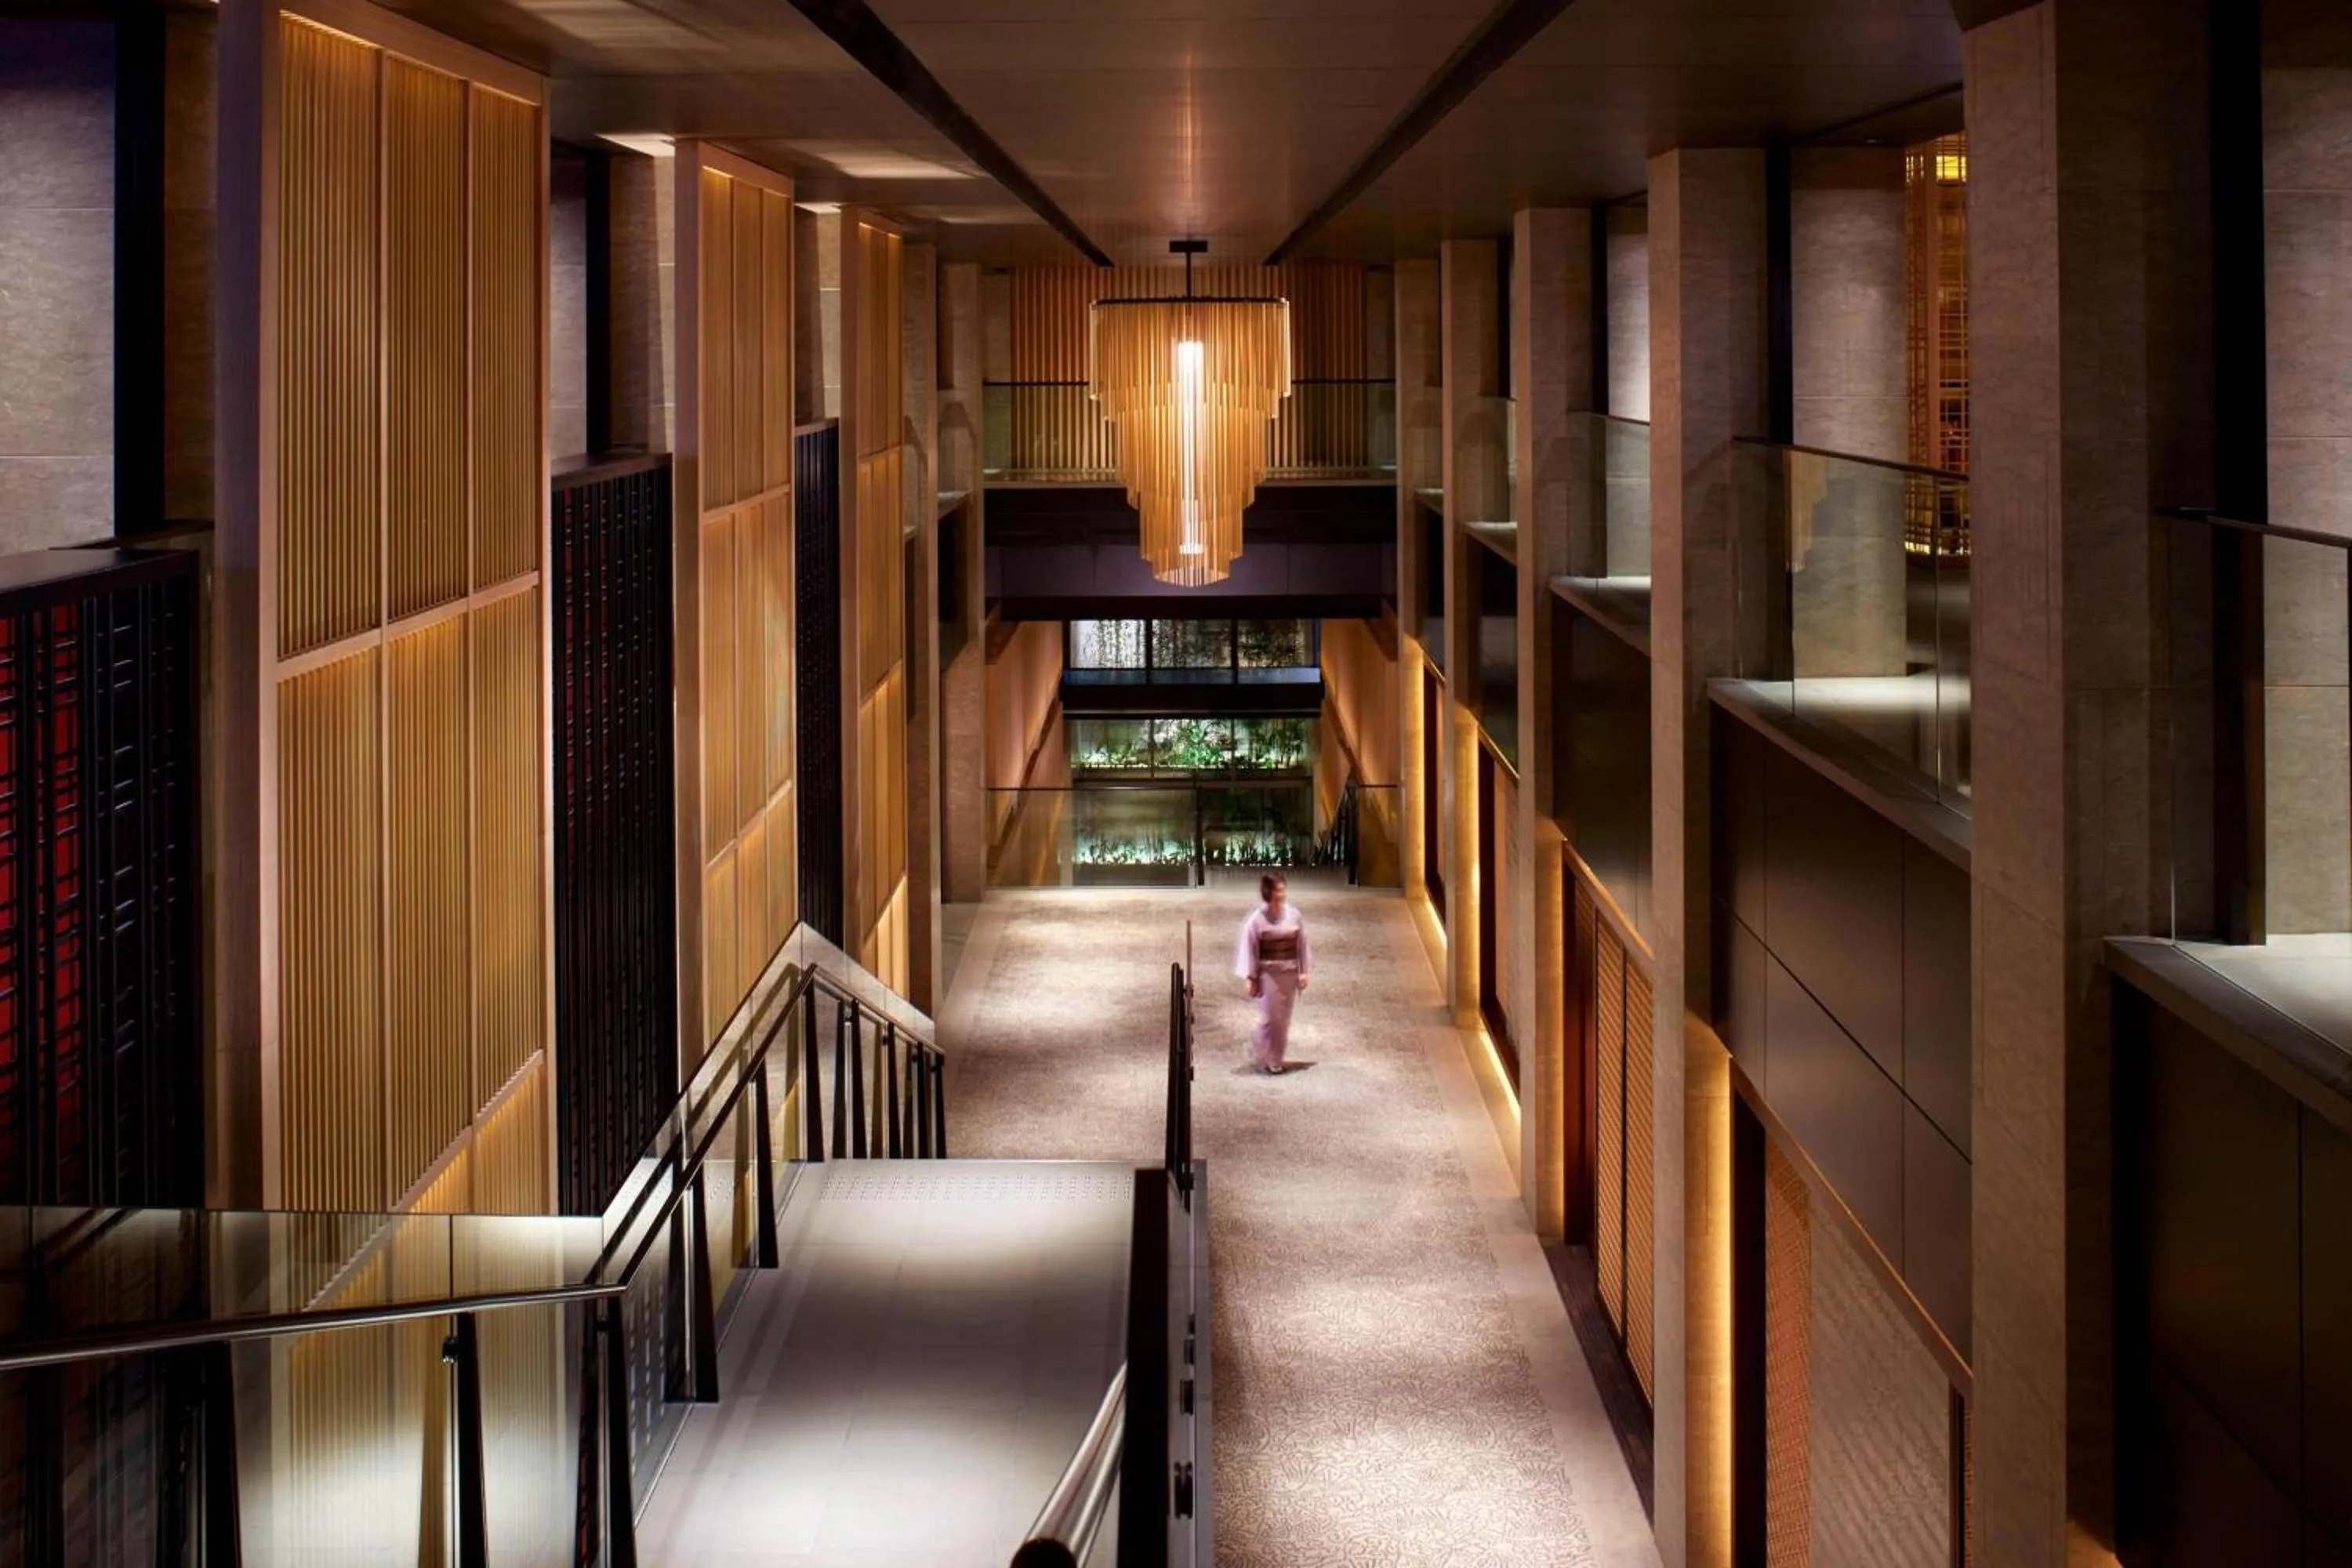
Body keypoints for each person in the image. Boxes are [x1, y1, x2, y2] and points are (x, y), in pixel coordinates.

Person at [1234, 871, 1311, 1075]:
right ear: (1268, 892)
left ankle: (1275, 1058)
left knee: (1283, 1019)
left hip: (1289, 971)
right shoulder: (1257, 920)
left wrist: (1303, 971)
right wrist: (1251, 977)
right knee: (1270, 1018)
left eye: (1283, 889)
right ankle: (1263, 1050)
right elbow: (1250, 949)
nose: (1282, 894)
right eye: (1278, 890)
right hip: (1268, 974)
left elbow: (1302, 944)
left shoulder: (1294, 915)